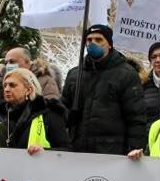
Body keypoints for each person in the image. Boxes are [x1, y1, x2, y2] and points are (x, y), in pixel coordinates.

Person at [62, 25, 146, 156]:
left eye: (98, 39)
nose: (93, 43)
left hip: (111, 153)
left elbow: (136, 117)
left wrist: (134, 149)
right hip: (77, 150)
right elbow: (63, 109)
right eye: (89, 40)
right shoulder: (75, 74)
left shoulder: (126, 74)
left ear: (109, 44)